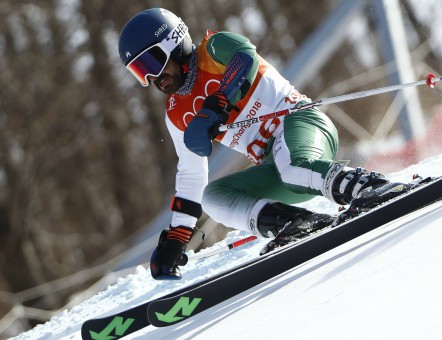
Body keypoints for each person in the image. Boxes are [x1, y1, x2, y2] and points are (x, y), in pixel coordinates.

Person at [118, 8, 413, 280]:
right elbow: (192, 174)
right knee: (213, 198)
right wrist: (176, 237)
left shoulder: (215, 48)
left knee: (291, 165)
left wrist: (218, 104)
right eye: (140, 72)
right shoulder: (176, 114)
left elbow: (244, 58)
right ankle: (292, 222)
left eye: (152, 62)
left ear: (176, 43)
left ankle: (370, 187)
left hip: (302, 125)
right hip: (277, 168)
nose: (153, 78)